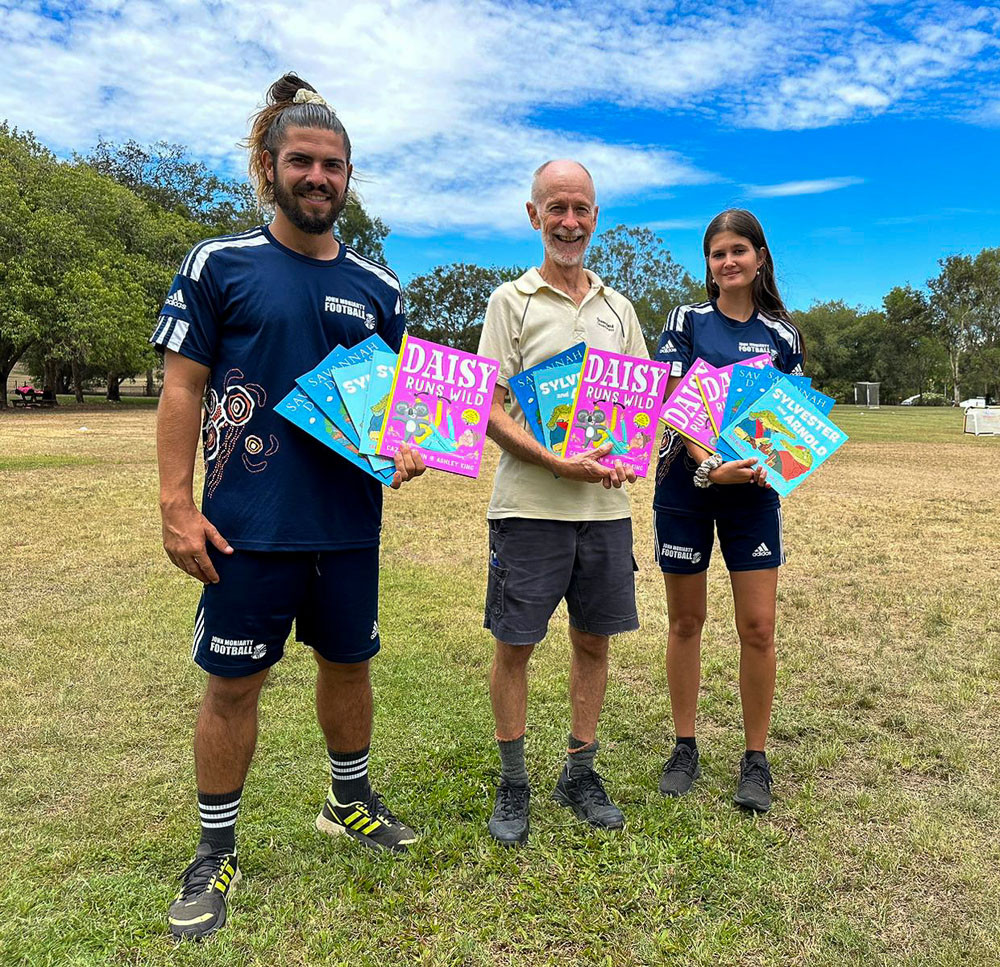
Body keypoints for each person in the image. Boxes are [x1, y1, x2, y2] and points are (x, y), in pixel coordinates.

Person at [153, 74, 425, 941]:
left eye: (333, 165)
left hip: (347, 528)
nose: (318, 176)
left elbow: (397, 410)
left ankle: (347, 803)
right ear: (269, 167)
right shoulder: (218, 263)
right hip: (247, 528)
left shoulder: (380, 288)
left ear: (350, 178)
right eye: (301, 161)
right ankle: (214, 848)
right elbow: (182, 388)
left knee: (350, 667)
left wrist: (411, 445)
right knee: (234, 683)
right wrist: (174, 504)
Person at [477, 159, 648, 845]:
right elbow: (487, 405)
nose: (570, 221)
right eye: (557, 208)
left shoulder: (619, 308)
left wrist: (627, 450)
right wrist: (554, 459)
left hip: (604, 513)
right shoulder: (508, 302)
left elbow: (639, 405)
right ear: (533, 214)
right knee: (514, 644)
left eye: (581, 208)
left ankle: (580, 770)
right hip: (527, 508)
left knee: (593, 643)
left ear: (595, 217)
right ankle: (514, 780)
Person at [652, 209, 804, 813]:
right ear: (708, 264)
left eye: (739, 250)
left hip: (754, 496)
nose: (729, 261)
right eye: (718, 253)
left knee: (758, 628)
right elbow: (670, 400)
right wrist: (707, 464)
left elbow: (789, 422)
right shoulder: (686, 321)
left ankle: (755, 758)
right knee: (686, 622)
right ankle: (684, 745)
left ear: (760, 258)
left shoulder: (782, 335)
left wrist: (776, 459)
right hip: (688, 486)